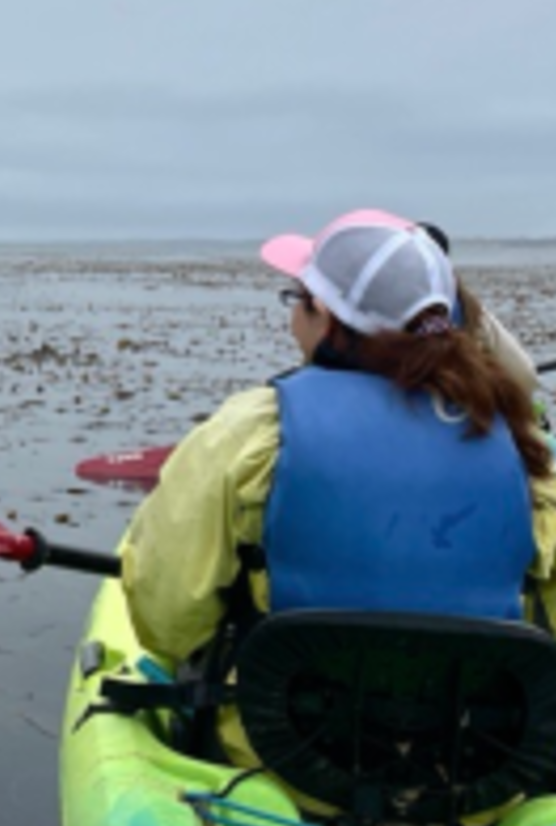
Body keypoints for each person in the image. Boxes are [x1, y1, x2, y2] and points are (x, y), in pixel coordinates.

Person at [120, 210, 556, 774]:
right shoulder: (523, 446)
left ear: (321, 315)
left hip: (286, 761)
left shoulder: (254, 432)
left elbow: (167, 621)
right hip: (475, 773)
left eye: (294, 300)